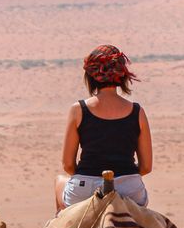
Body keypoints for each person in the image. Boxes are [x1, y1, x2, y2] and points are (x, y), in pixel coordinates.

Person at [55, 44, 153, 211]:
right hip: (129, 189)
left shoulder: (78, 110)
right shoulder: (138, 112)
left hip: (85, 188)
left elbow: (68, 165)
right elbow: (146, 167)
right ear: (122, 76)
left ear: (90, 76)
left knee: (59, 182)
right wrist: (123, 179)